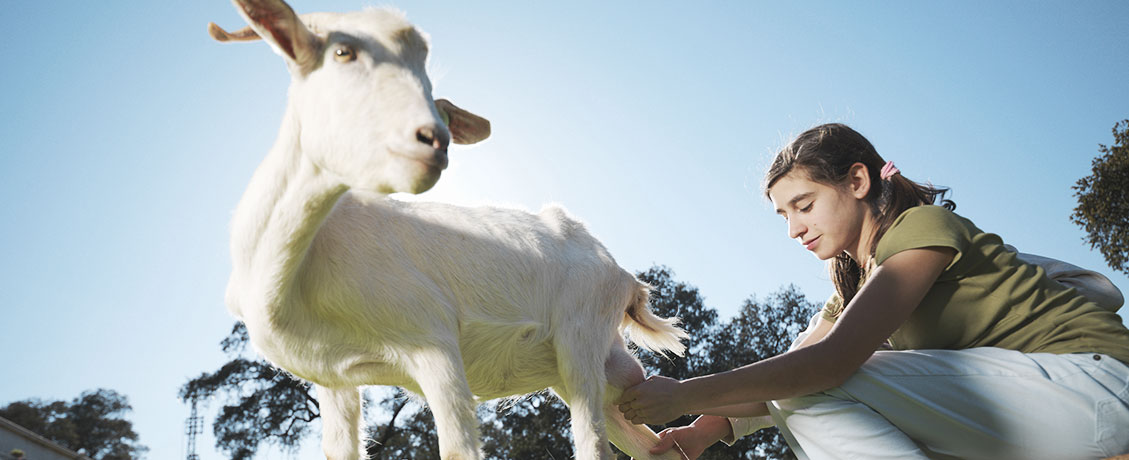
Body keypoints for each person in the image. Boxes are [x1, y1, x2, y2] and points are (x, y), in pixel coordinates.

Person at [615, 123, 1129, 460]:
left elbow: (827, 368)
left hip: (1097, 386)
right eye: (783, 215)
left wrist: (683, 394)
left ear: (857, 180)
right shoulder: (853, 290)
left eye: (804, 205)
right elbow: (795, 369)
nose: (793, 229)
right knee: (803, 381)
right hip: (1037, 411)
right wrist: (702, 432)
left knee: (816, 379)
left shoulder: (920, 229)